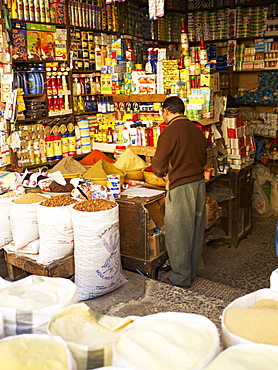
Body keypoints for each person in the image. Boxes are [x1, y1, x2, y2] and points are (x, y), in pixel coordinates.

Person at [152, 96, 207, 288]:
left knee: (178, 233)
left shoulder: (169, 133)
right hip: (199, 185)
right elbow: (203, 159)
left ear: (167, 110)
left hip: (180, 187)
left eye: (162, 112)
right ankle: (190, 271)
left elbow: (158, 166)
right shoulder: (196, 130)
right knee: (195, 230)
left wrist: (164, 174)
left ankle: (181, 277)